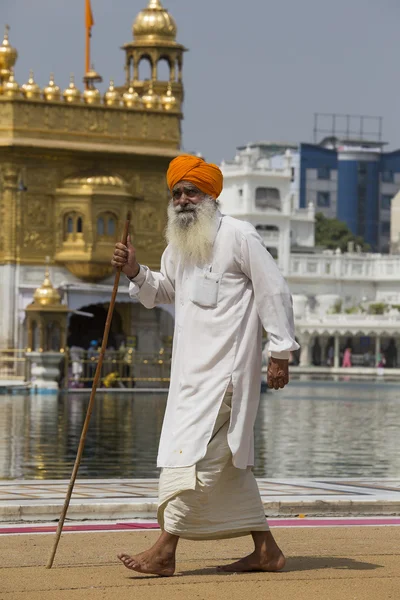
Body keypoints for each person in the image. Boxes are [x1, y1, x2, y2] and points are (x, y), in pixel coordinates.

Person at [111, 153, 299, 576]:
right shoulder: (180, 245)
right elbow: (163, 290)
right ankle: (266, 550)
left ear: (210, 194)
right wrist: (134, 270)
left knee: (194, 460)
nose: (182, 199)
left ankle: (164, 549)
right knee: (226, 465)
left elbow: (275, 293)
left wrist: (280, 354)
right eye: (176, 192)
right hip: (189, 379)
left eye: (190, 191)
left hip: (227, 377)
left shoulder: (239, 236)